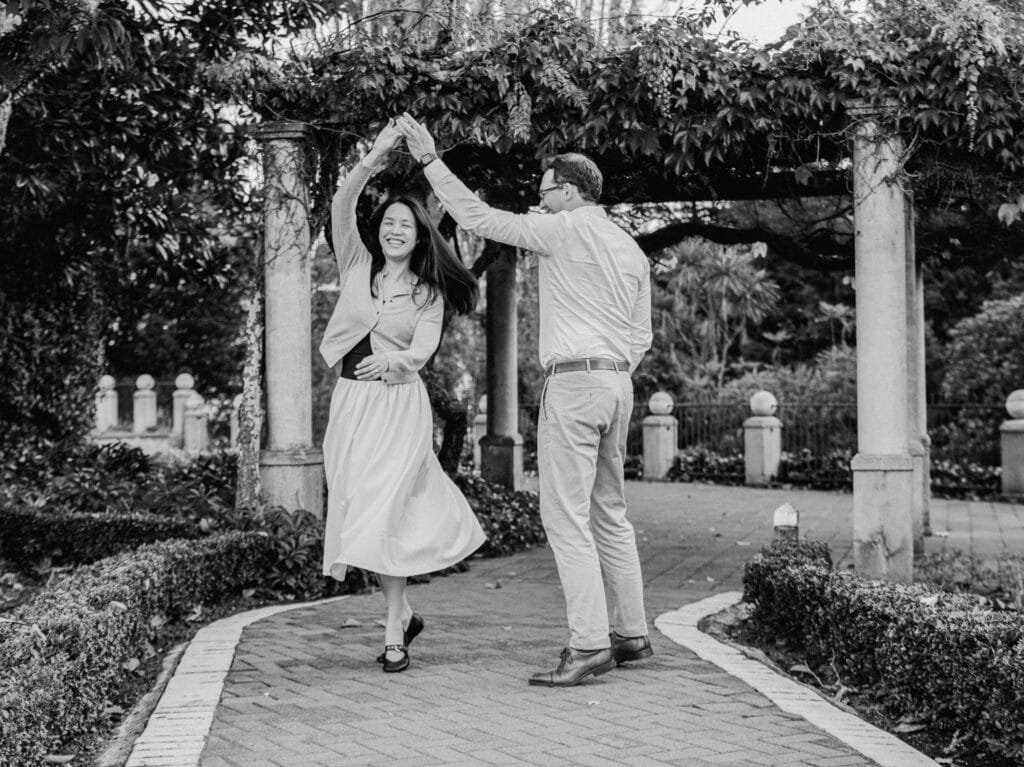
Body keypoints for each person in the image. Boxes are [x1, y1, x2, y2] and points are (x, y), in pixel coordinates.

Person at [397, 113, 654, 687]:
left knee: (564, 516)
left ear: (570, 191)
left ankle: (589, 644)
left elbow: (476, 217)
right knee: (610, 510)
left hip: (576, 383)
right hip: (618, 383)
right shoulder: (629, 248)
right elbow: (641, 336)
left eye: (545, 192)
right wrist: (610, 374)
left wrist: (430, 159)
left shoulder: (563, 229)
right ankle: (631, 634)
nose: (540, 202)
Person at [319, 121, 485, 673]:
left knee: (384, 508)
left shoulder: (427, 291)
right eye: (388, 222)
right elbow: (343, 202)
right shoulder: (355, 264)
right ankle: (406, 612)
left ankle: (393, 629)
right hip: (351, 402)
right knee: (358, 509)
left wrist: (395, 361)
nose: (394, 230)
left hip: (397, 405)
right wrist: (374, 155)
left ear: (419, 237)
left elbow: (422, 349)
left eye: (405, 225)